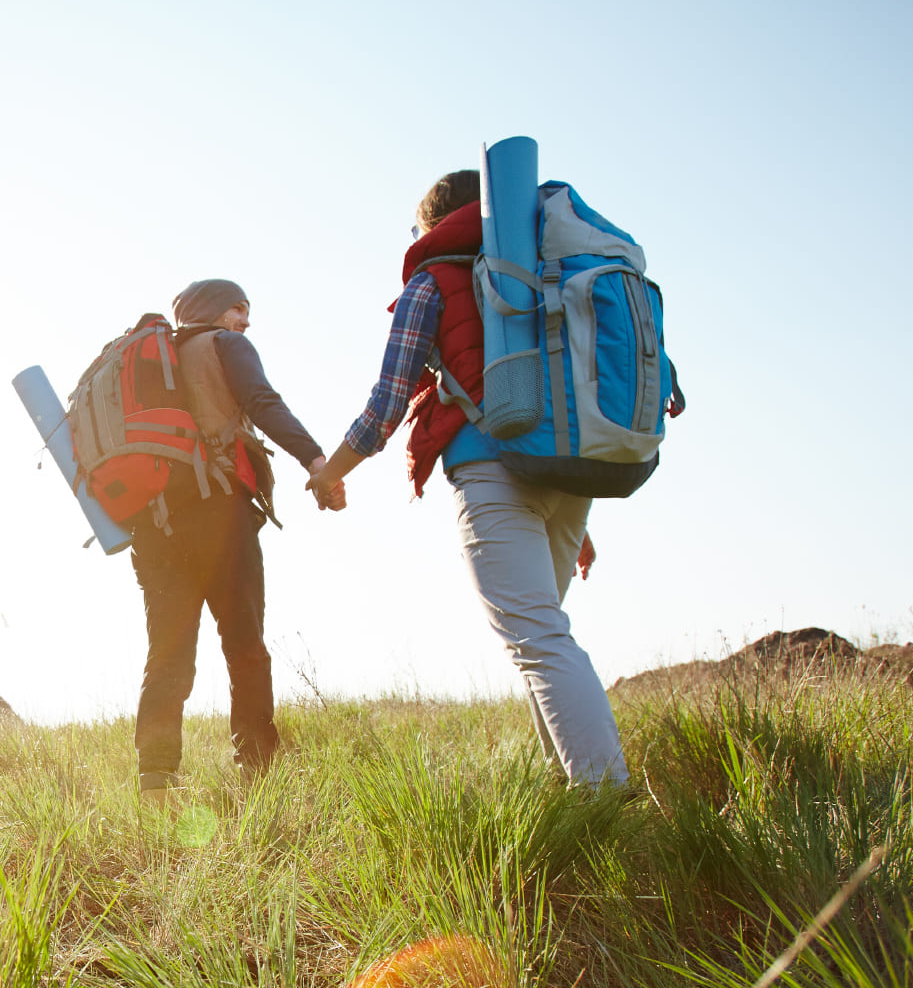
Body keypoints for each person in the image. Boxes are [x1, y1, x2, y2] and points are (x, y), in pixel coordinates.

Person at [307, 172, 629, 788]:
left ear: (432, 226)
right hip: (569, 474)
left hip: (493, 472)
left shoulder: (433, 280)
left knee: (538, 639)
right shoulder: (544, 274)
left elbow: (387, 402)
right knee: (541, 640)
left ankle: (606, 799)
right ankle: (568, 790)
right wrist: (573, 514)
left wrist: (331, 472)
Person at [132, 278, 344, 800]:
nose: (245, 322)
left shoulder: (148, 364)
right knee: (245, 645)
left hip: (153, 525)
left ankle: (156, 781)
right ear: (211, 312)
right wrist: (318, 461)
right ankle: (257, 772)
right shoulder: (224, 345)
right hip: (218, 514)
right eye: (238, 309)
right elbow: (263, 402)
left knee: (168, 654)